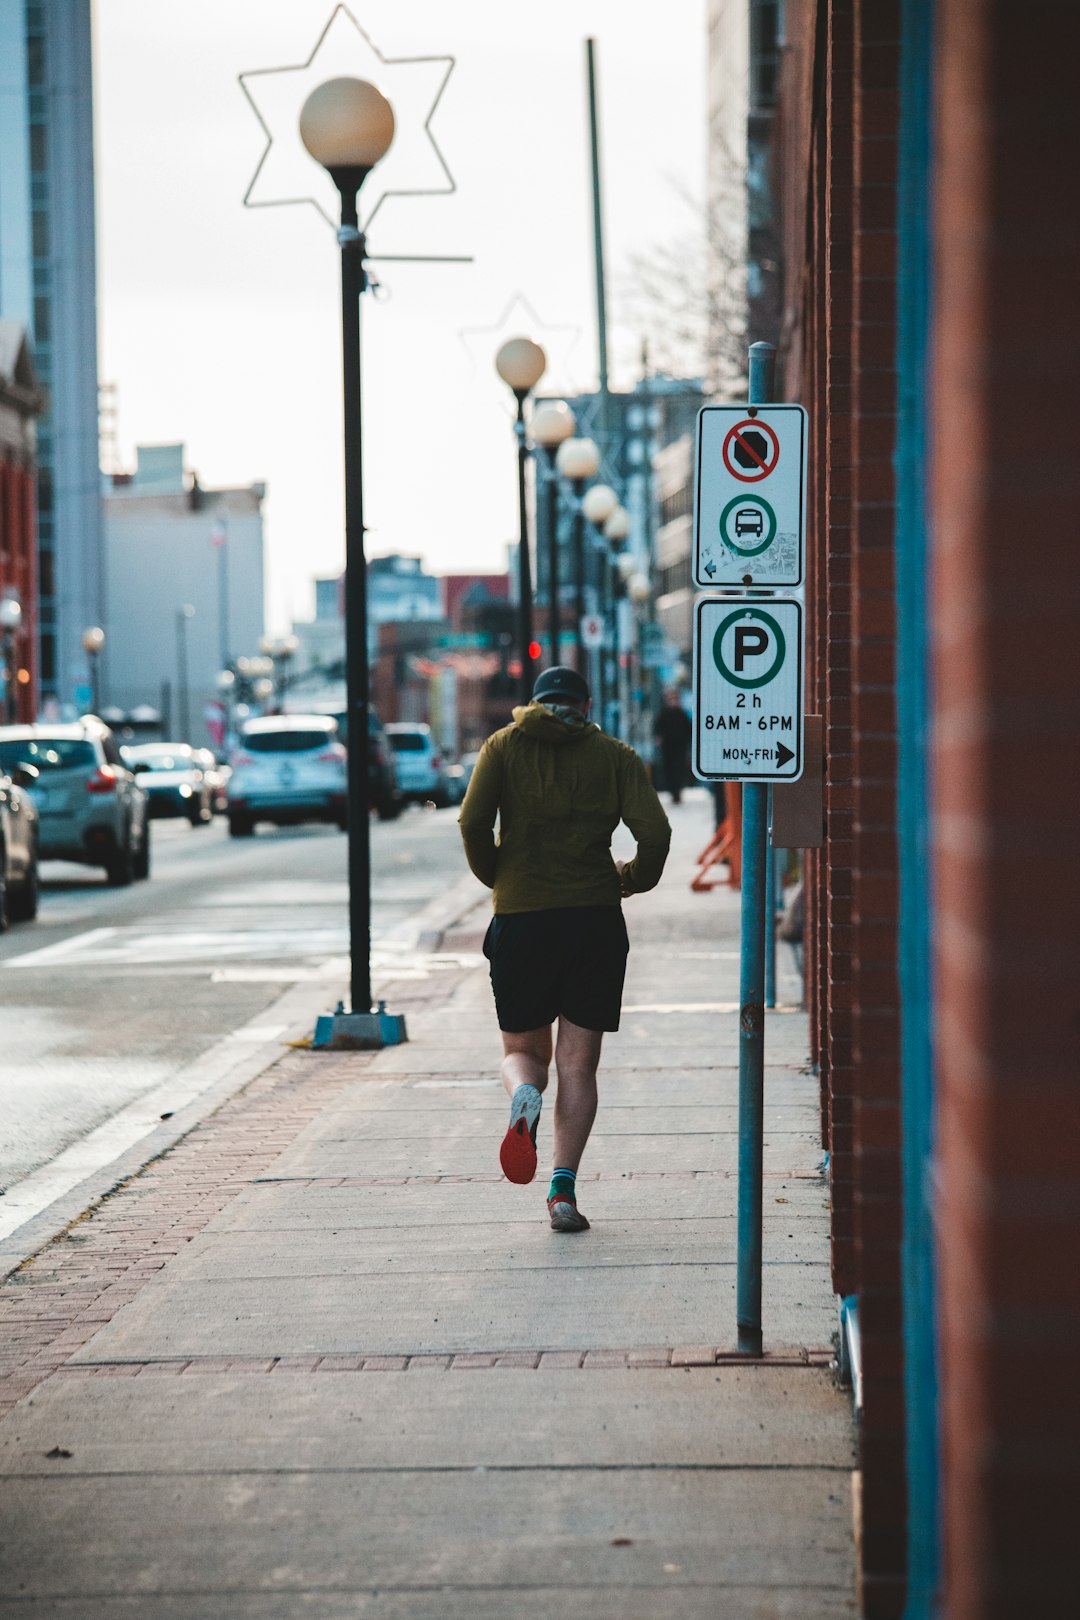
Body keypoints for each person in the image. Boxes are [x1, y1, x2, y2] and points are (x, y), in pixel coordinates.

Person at [458, 665, 671, 1232]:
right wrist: (630, 878)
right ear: (586, 702)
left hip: (522, 922)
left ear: (534, 703)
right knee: (579, 1066)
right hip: (593, 923)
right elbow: (656, 834)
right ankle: (562, 1192)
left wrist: (498, 876)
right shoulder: (614, 754)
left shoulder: (502, 746)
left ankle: (523, 1093)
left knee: (525, 1052)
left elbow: (473, 821)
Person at [654, 689, 693, 804]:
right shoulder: (664, 713)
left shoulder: (681, 714)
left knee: (679, 769)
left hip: (680, 746)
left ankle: (677, 792)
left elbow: (688, 729)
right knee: (669, 769)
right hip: (668, 747)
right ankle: (673, 792)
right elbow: (657, 728)